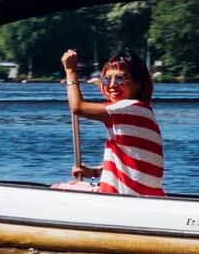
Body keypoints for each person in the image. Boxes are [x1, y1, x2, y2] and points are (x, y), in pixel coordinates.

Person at [58, 46, 165, 196]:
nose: (112, 84)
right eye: (107, 79)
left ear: (138, 83)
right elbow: (131, 166)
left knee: (59, 190)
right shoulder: (140, 112)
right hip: (137, 197)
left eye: (120, 78)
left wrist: (70, 71)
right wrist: (95, 172)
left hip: (127, 200)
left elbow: (77, 107)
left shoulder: (130, 108)